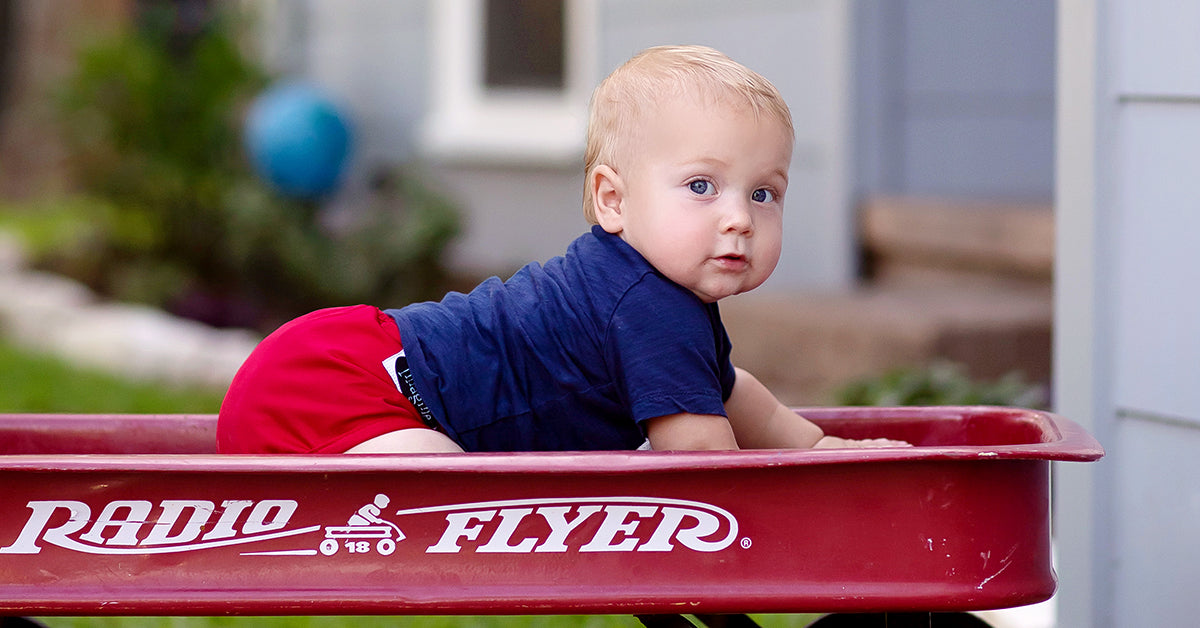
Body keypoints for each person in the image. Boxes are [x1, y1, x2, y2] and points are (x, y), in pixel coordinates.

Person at [217, 45, 906, 454]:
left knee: (452, 491)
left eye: (764, 194)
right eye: (702, 186)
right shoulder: (649, 306)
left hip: (344, 358)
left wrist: (816, 447)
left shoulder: (647, 293)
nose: (739, 219)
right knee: (450, 505)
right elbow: (705, 471)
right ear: (612, 200)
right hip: (346, 389)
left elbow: (731, 393)